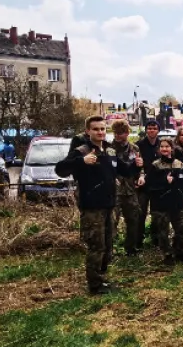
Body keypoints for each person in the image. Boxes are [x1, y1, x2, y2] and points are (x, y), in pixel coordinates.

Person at [55, 115, 142, 294]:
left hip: (109, 204)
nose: (100, 132)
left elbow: (124, 169)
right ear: (88, 131)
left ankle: (101, 277)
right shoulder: (82, 151)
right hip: (92, 206)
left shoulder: (109, 150)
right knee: (96, 245)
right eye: (96, 129)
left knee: (108, 244)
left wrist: (136, 166)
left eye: (102, 129)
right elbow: (61, 169)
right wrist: (82, 161)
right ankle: (94, 284)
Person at [148, 138, 183, 264]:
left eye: (167, 146)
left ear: (172, 148)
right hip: (161, 203)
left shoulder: (179, 163)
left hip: (177, 202)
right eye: (162, 146)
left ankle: (181, 252)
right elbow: (150, 185)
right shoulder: (155, 165)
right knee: (163, 230)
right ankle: (167, 254)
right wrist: (164, 182)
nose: (164, 149)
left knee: (181, 228)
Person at [111, 120, 142, 255]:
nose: (118, 136)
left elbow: (138, 168)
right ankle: (109, 250)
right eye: (116, 133)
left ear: (127, 133)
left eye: (121, 133)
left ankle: (131, 248)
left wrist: (141, 175)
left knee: (134, 219)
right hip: (114, 191)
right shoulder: (108, 148)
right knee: (112, 221)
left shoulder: (134, 148)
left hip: (130, 190)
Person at [135, 120, 161, 250]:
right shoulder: (138, 145)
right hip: (143, 186)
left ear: (158, 130)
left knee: (156, 213)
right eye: (149, 128)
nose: (151, 130)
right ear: (146, 130)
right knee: (141, 214)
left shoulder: (162, 145)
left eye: (154, 128)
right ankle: (138, 241)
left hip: (157, 186)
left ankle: (155, 239)